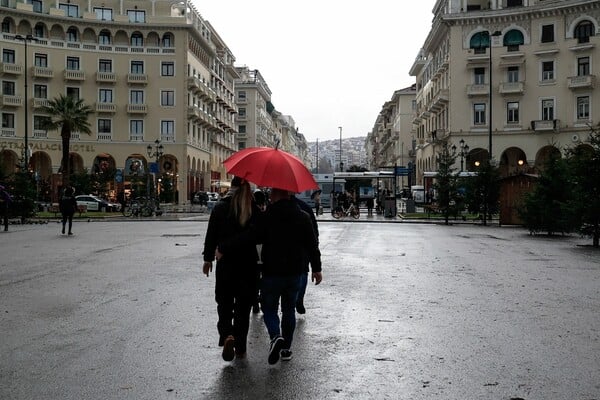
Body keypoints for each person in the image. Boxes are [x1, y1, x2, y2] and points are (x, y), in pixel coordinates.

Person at [259, 188, 322, 364]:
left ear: (279, 195)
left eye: (272, 192)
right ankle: (286, 349)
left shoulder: (267, 216)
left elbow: (255, 240)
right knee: (289, 310)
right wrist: (317, 269)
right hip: (295, 271)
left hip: (272, 271)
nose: (270, 195)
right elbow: (312, 245)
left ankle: (275, 336)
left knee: (269, 309)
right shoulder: (302, 216)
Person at [202, 176, 261, 361]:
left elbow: (211, 235)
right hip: (248, 266)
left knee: (224, 303)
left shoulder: (220, 208)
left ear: (231, 187)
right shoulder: (254, 210)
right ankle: (241, 347)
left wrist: (208, 258)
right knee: (243, 308)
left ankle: (227, 334)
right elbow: (257, 236)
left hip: (226, 265)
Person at [291, 194, 319, 315]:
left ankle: (294, 300)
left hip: (282, 251)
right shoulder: (305, 207)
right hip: (303, 249)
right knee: (302, 273)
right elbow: (314, 232)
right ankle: (299, 298)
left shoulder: (272, 208)